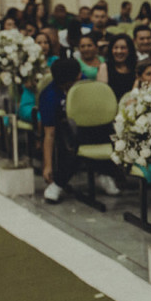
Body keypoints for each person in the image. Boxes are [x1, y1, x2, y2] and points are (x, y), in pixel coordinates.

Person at [39, 57, 121, 203]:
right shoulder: (49, 96)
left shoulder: (86, 84)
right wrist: (48, 166)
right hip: (63, 131)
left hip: (91, 127)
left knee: (105, 131)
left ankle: (104, 174)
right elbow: (49, 133)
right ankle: (58, 183)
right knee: (74, 145)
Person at [105, 33, 137, 100]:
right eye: (116, 48)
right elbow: (102, 92)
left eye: (123, 48)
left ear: (130, 50)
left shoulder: (136, 67)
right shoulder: (104, 67)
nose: (119, 51)